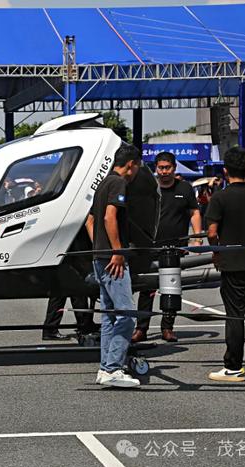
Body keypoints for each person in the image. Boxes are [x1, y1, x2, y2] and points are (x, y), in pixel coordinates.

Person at [205, 147, 245, 382]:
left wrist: (216, 252)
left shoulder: (220, 197)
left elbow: (211, 232)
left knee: (234, 315)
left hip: (232, 262)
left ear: (225, 171)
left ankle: (233, 366)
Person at [85, 144, 142, 388]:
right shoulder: (118, 183)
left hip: (99, 257)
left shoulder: (102, 183)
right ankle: (113, 367)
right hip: (113, 259)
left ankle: (105, 367)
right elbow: (109, 217)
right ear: (131, 164)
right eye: (138, 166)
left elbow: (90, 220)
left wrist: (98, 246)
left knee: (109, 316)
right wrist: (117, 251)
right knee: (127, 314)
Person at [133, 152, 203, 343]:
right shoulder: (149, 188)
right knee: (146, 290)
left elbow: (194, 212)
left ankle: (168, 327)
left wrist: (196, 238)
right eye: (161, 168)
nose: (164, 172)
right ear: (156, 168)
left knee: (171, 288)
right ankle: (141, 328)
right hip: (150, 246)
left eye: (167, 168)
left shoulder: (185, 188)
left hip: (175, 247)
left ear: (174, 168)